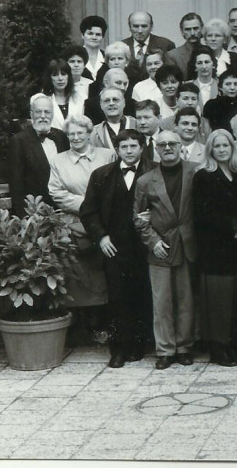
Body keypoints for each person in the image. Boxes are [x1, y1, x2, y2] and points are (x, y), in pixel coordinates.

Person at [79, 128, 155, 367]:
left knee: (143, 294)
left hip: (144, 246)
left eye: (134, 146)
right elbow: (88, 211)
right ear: (117, 149)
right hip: (114, 248)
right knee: (118, 298)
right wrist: (101, 237)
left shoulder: (154, 172)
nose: (129, 151)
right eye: (124, 147)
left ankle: (139, 346)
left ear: (142, 148)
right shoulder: (101, 175)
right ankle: (119, 349)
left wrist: (153, 216)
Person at [133, 128, 199, 368]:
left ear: (181, 146)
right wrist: (153, 242)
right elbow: (139, 218)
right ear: (156, 149)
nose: (168, 148)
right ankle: (165, 350)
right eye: (163, 145)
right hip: (161, 246)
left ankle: (184, 347)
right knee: (162, 301)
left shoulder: (196, 171)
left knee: (186, 299)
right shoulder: (145, 180)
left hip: (189, 244)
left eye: (173, 143)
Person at [48, 115, 117, 341]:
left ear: (89, 134)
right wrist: (87, 206)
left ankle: (104, 323)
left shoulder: (107, 155)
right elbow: (56, 192)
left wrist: (100, 210)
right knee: (78, 274)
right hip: (75, 224)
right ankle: (82, 325)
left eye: (80, 133)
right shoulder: (59, 160)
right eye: (71, 134)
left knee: (104, 273)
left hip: (105, 222)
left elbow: (115, 186)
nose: (76, 137)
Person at [192, 129, 237, 366]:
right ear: (210, 149)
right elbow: (203, 214)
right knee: (219, 300)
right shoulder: (204, 176)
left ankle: (233, 344)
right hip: (215, 248)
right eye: (217, 146)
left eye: (225, 146)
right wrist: (234, 226)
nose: (221, 150)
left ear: (232, 148)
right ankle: (218, 348)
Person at [10, 94, 69, 216]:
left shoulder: (61, 136)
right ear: (31, 114)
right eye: (38, 112)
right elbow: (16, 184)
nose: (43, 116)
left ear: (52, 114)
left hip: (62, 210)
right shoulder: (19, 140)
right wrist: (22, 218)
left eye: (47, 112)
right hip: (35, 212)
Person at [37, 57, 88, 131]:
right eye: (55, 75)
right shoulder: (40, 100)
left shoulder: (81, 98)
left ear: (69, 76)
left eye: (63, 74)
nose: (60, 78)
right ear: (49, 78)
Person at [165, 12, 205, 79]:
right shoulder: (173, 56)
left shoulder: (211, 51)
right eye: (188, 29)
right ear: (182, 32)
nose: (192, 33)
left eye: (195, 28)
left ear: (202, 29)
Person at [78, 14, 109, 82]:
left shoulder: (107, 58)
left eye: (98, 34)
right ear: (82, 35)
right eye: (90, 34)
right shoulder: (75, 57)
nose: (94, 37)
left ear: (102, 37)